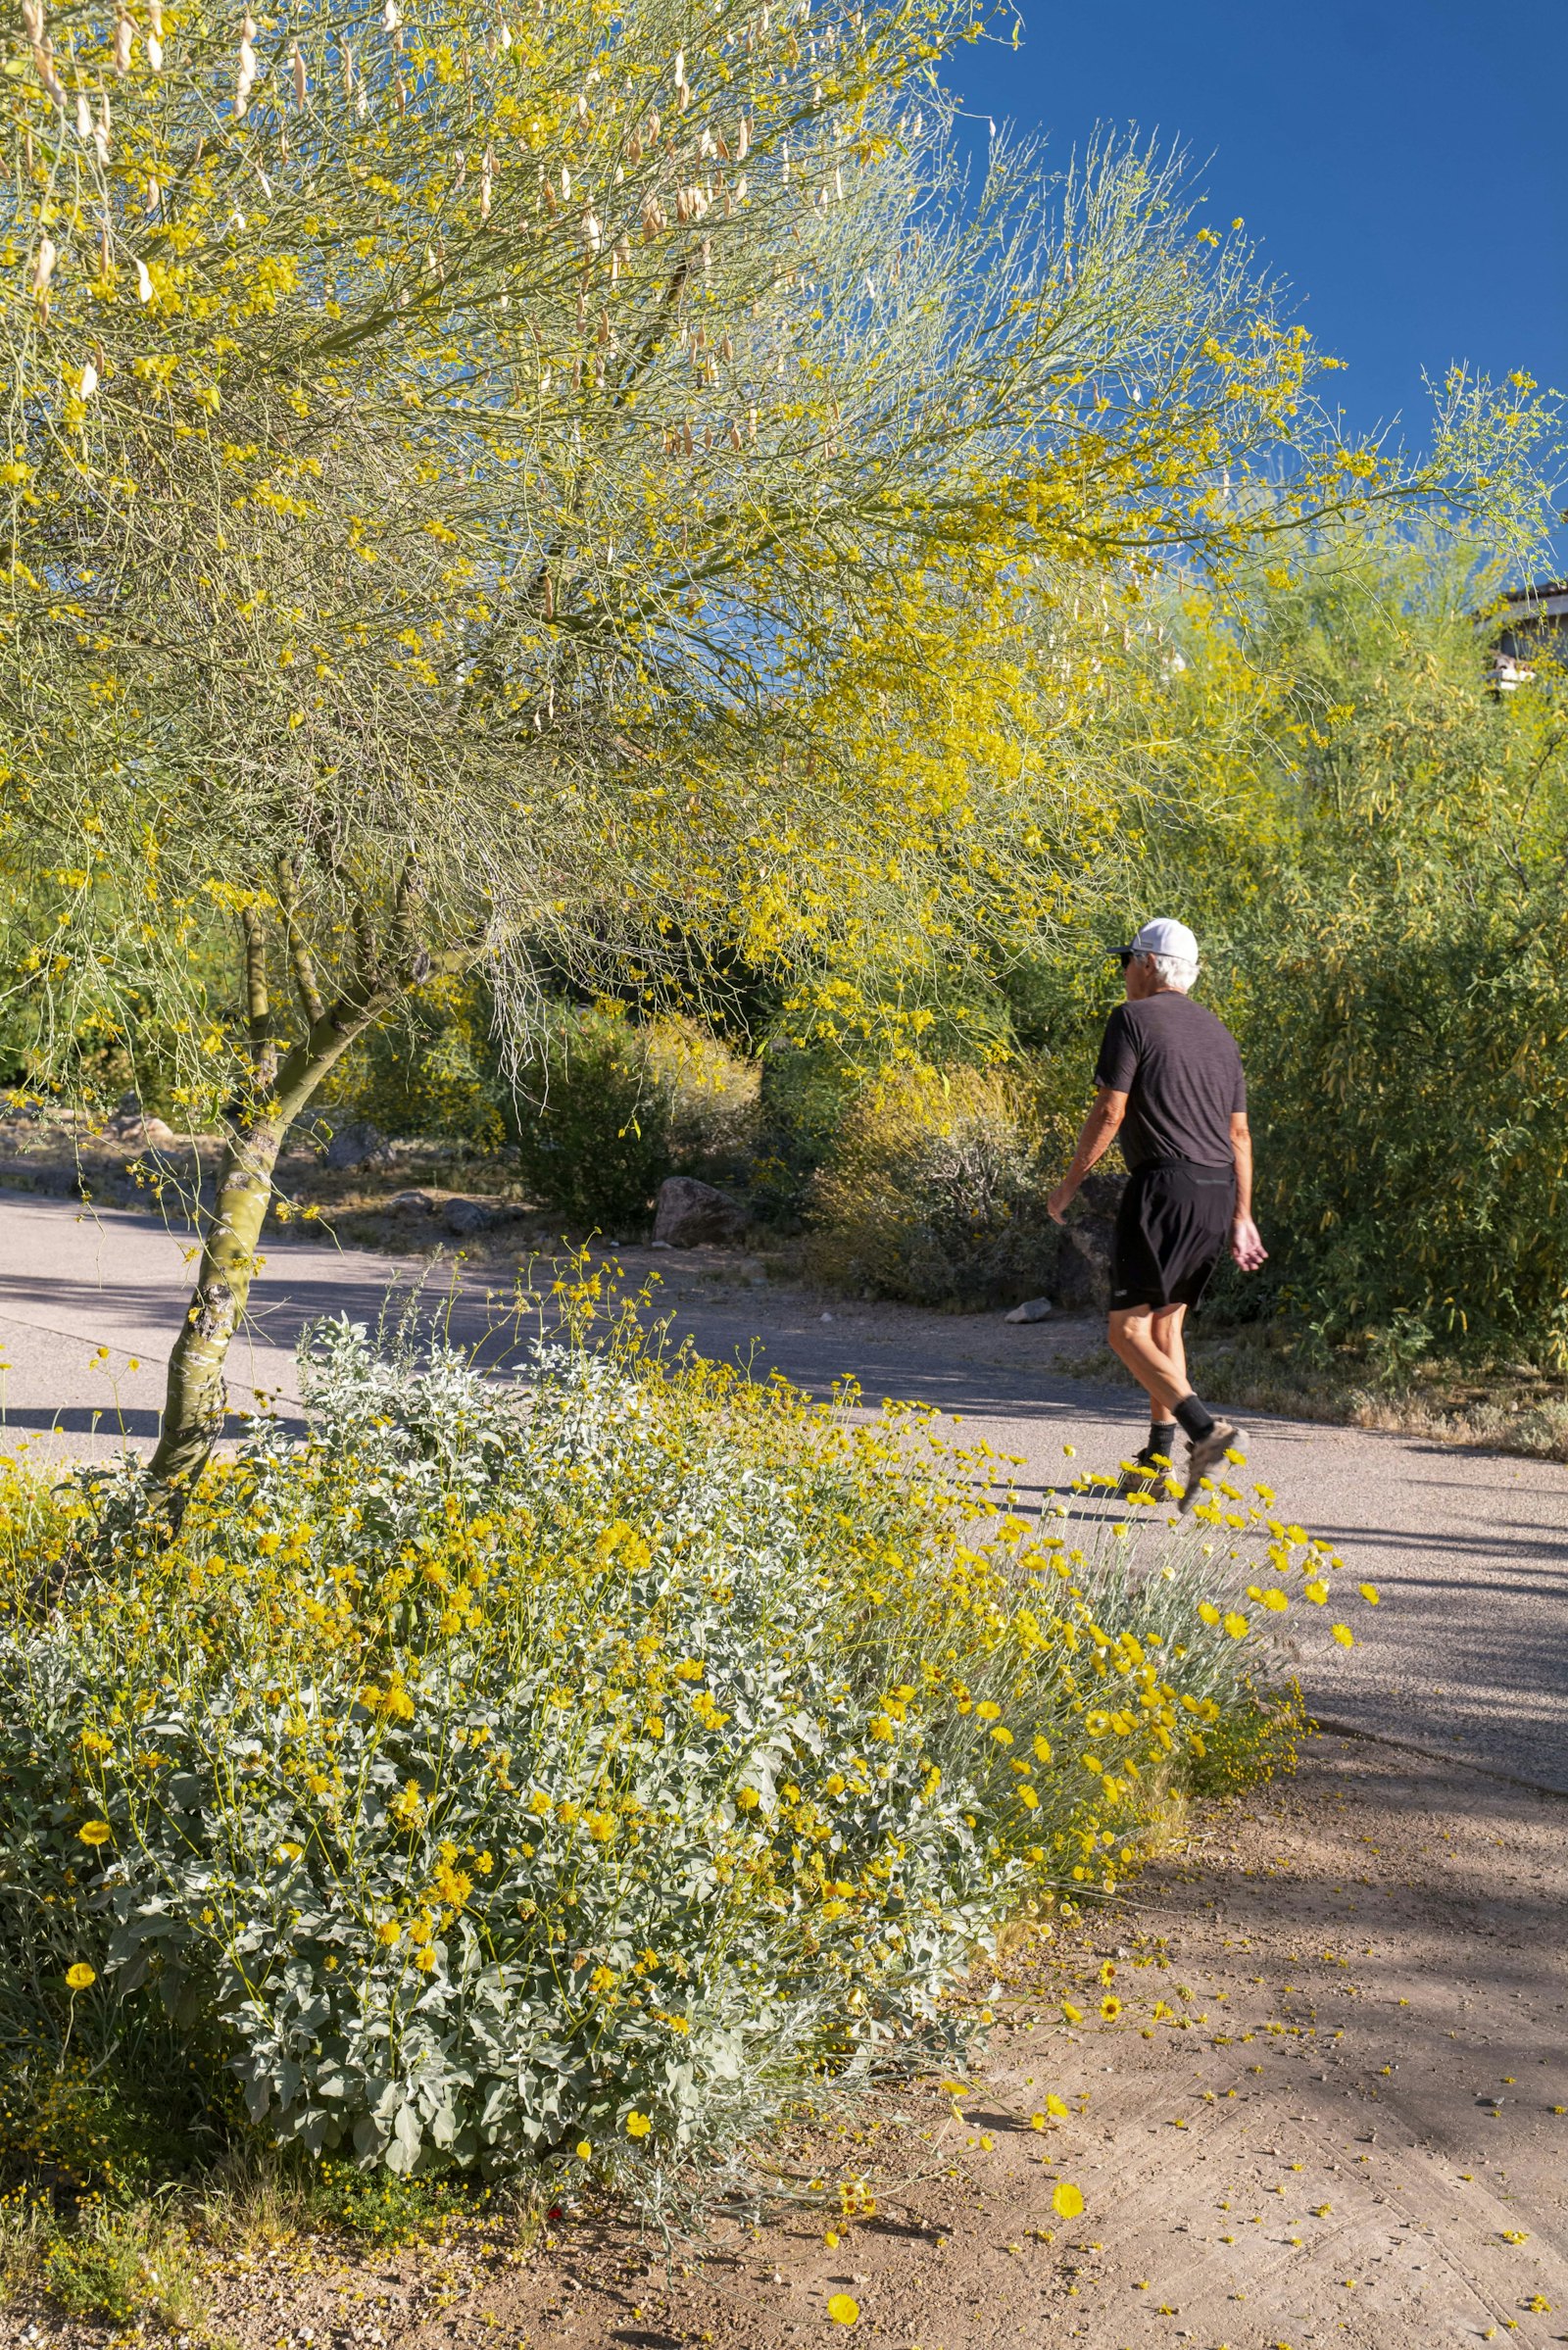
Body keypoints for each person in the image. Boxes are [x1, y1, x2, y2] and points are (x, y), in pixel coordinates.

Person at [1046, 917, 1267, 1510]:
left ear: (1147, 963)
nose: (1122, 974)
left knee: (1126, 1332)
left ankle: (1205, 1431)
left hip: (1163, 1189)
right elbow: (1239, 1135)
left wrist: (1069, 1184)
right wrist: (1243, 1216)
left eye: (1127, 961)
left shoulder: (1132, 1020)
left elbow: (1110, 1112)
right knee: (1166, 1326)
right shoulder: (1221, 1036)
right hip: (1217, 1192)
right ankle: (1153, 1462)